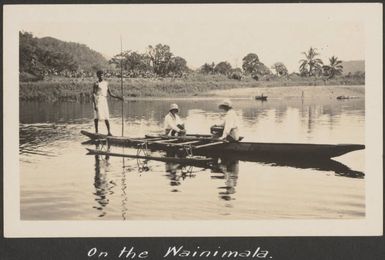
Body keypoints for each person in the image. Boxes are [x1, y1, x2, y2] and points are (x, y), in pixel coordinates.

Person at [92, 70, 123, 135]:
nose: (101, 76)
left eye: (102, 75)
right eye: (99, 75)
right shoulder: (96, 84)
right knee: (96, 117)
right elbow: (93, 95)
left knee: (106, 116)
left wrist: (118, 97)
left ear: (103, 75)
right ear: (97, 76)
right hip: (98, 100)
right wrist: (95, 105)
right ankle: (96, 132)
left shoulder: (106, 83)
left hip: (104, 100)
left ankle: (109, 132)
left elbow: (110, 94)